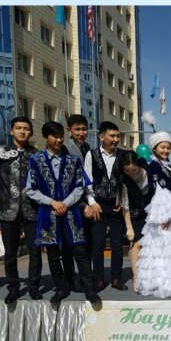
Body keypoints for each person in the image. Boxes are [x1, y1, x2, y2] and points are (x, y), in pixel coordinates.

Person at [25, 121, 100, 303]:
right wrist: (52, 203)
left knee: (79, 251)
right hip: (47, 213)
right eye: (55, 136)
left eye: (61, 136)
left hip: (71, 212)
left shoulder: (73, 161)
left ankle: (89, 289)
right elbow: (31, 189)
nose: (59, 140)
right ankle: (61, 288)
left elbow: (79, 187)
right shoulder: (36, 160)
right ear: (45, 137)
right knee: (52, 253)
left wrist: (64, 204)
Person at [0, 116, 41, 302]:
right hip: (7, 207)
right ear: (11, 131)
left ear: (31, 132)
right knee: (10, 252)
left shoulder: (37, 154)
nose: (22, 131)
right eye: (18, 128)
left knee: (35, 251)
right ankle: (13, 287)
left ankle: (34, 286)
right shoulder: (0, 151)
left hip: (32, 208)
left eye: (26, 128)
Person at [134, 132, 171, 298]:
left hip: (170, 215)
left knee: (170, 249)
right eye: (162, 147)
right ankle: (161, 284)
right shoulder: (153, 166)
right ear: (154, 148)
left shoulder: (166, 165)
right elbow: (159, 193)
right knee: (161, 248)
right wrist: (164, 216)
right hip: (162, 216)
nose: (166, 150)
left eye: (168, 147)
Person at [83, 121, 129, 291]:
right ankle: (98, 279)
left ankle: (116, 278)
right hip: (98, 204)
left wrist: (121, 200)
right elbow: (87, 181)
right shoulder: (91, 154)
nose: (116, 139)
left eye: (118, 136)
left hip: (116, 205)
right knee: (98, 245)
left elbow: (126, 181)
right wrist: (92, 202)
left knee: (117, 244)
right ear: (102, 137)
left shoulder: (123, 155)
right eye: (112, 136)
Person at [61, 114, 93, 292]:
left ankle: (84, 277)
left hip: (86, 200)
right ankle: (70, 279)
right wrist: (81, 204)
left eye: (84, 129)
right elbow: (67, 181)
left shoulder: (87, 147)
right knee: (69, 245)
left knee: (85, 242)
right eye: (77, 129)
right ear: (69, 130)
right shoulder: (65, 148)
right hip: (70, 203)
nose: (81, 133)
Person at [118, 150, 151, 294]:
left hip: (149, 212)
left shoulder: (148, 172)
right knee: (135, 243)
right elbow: (124, 204)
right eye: (127, 171)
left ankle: (148, 275)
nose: (131, 174)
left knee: (148, 244)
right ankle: (136, 276)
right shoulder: (122, 178)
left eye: (134, 170)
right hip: (132, 214)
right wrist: (129, 227)